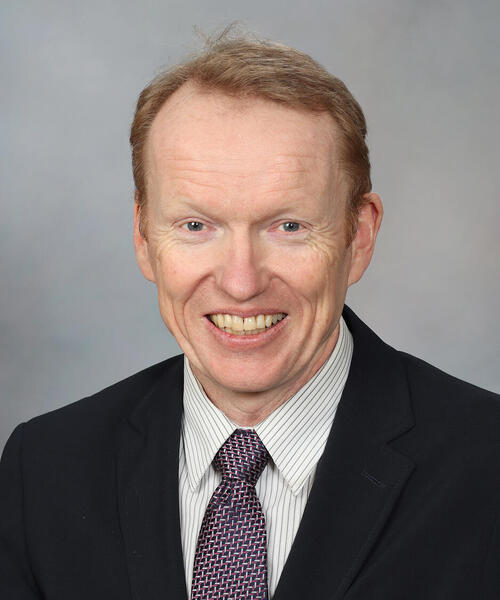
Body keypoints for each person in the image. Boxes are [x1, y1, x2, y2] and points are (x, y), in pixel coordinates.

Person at [1, 33, 499, 600]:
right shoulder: (44, 470)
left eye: (288, 226)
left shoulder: (486, 465)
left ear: (359, 236)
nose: (241, 282)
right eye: (196, 226)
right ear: (143, 237)